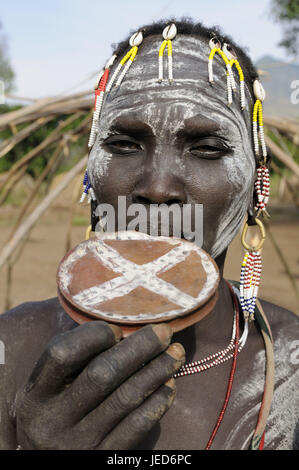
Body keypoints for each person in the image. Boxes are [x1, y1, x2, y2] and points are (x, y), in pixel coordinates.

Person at [0, 19, 298, 451]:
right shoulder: (13, 348)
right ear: (90, 178)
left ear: (256, 185)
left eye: (207, 148)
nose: (157, 189)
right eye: (123, 144)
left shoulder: (289, 364)